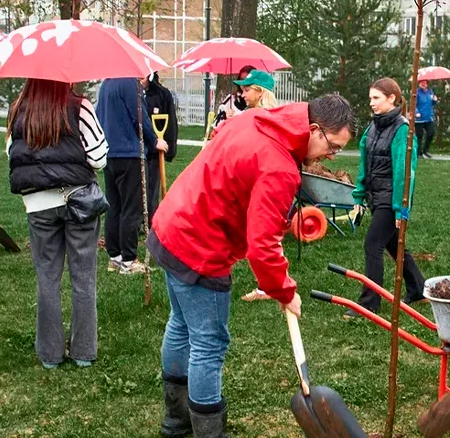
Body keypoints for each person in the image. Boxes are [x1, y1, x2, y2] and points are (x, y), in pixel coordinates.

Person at [149, 95, 355, 438]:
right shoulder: (280, 168)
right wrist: (284, 291)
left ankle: (176, 420)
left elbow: (236, 169)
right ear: (314, 129)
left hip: (173, 224)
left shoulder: (256, 119)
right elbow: (263, 247)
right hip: (201, 246)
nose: (332, 156)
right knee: (208, 343)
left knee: (181, 325)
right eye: (332, 146)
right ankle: (208, 433)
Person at [6, 79, 108, 369]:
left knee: (47, 279)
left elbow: (12, 154)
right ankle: (83, 352)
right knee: (83, 277)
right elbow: (99, 158)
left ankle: (50, 354)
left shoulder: (18, 110)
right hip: (79, 201)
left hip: (38, 205)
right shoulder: (80, 107)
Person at [347, 78, 426, 319]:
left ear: (392, 98)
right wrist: (360, 194)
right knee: (393, 244)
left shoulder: (402, 130)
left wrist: (401, 208)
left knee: (373, 244)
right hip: (375, 196)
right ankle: (418, 289)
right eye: (370, 98)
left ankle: (369, 304)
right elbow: (365, 163)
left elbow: (404, 172)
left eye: (376, 98)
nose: (371, 103)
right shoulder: (373, 127)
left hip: (390, 201)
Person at [96, 77, 168, 275]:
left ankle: (115, 257)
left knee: (115, 206)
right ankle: (129, 259)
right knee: (132, 208)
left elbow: (99, 115)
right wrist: (154, 141)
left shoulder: (106, 83)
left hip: (110, 153)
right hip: (129, 154)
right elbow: (139, 117)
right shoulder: (129, 83)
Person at [142, 72, 179, 224]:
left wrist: (169, 149)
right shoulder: (133, 94)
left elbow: (171, 123)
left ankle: (152, 220)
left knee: (152, 188)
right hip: (138, 150)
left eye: (143, 77)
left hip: (154, 152)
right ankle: (140, 219)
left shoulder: (162, 94)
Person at [209, 69, 277, 140]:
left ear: (260, 92)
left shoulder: (256, 117)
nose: (242, 95)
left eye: (247, 90)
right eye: (242, 90)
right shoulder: (274, 117)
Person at [208, 65, 253, 132]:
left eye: (248, 80)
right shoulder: (231, 100)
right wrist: (225, 117)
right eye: (242, 80)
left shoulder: (261, 103)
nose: (244, 83)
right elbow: (216, 125)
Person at [415, 80, 438, 159]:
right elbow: (413, 104)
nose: (423, 84)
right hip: (419, 118)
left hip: (428, 117)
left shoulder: (430, 91)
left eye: (425, 83)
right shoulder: (417, 92)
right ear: (419, 84)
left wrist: (434, 100)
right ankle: (419, 153)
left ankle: (425, 150)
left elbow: (432, 103)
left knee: (431, 133)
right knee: (419, 136)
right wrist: (416, 112)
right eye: (422, 83)